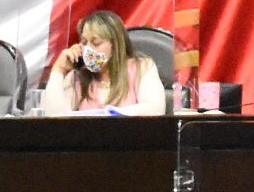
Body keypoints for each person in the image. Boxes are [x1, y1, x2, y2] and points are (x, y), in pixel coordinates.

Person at [39, 9, 167, 115]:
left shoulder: (142, 67)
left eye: (96, 43)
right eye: (84, 42)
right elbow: (54, 117)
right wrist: (58, 70)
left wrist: (109, 115)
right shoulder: (77, 76)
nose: (88, 49)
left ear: (115, 45)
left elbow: (155, 109)